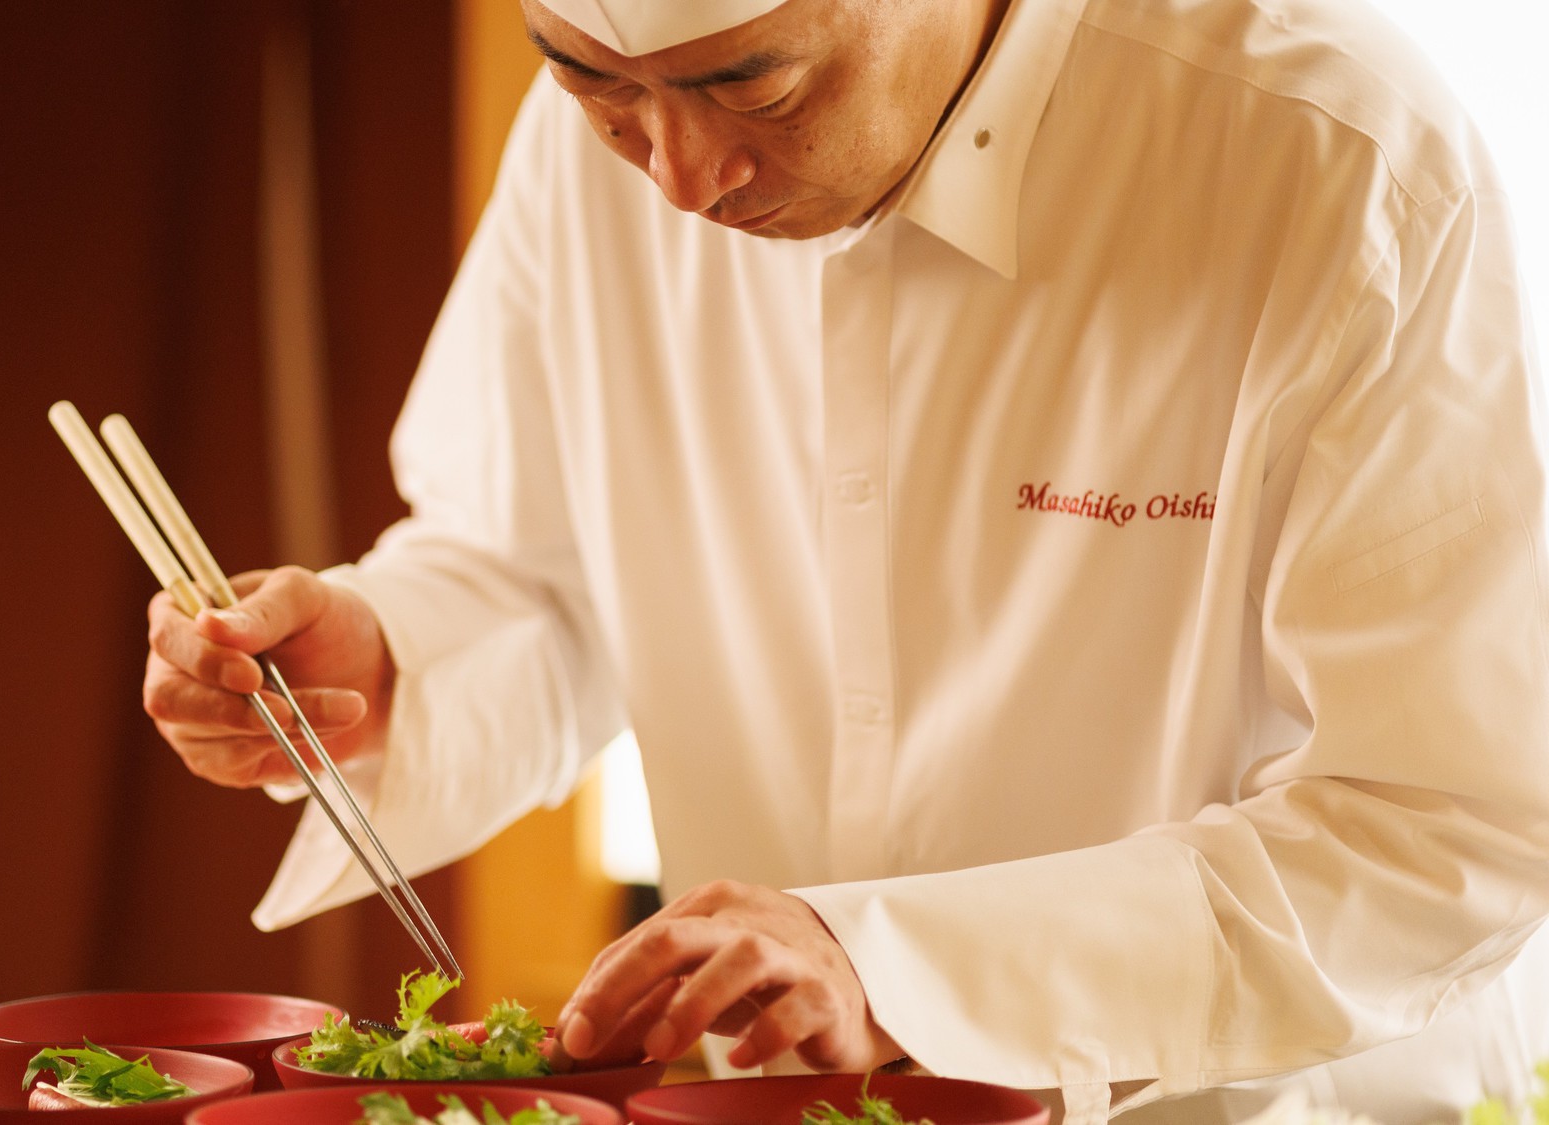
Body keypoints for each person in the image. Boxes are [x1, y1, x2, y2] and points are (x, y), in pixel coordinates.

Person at [142, 0, 1549, 1119]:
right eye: (594, 86)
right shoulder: (605, 144)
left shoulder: (1331, 155)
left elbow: (1441, 822)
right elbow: (541, 566)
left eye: (757, 89)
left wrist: (897, 963)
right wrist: (392, 656)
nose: (680, 180)